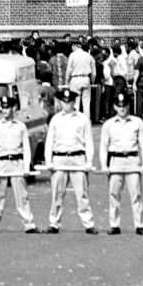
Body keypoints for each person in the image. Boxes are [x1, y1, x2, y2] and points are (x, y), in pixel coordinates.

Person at [44, 88, 97, 235]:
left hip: (77, 159)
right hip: (60, 158)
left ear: (74, 102)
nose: (67, 105)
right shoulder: (55, 119)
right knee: (57, 194)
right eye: (64, 102)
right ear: (61, 102)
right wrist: (49, 160)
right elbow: (50, 142)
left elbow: (88, 141)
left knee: (82, 194)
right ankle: (54, 223)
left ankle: (88, 224)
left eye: (70, 102)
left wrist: (89, 161)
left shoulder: (82, 119)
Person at [0, 96, 38, 234]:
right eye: (3, 107)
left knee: (22, 196)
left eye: (7, 107)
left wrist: (26, 167)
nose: (5, 110)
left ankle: (29, 224)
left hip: (16, 163)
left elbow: (26, 148)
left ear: (13, 108)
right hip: (1, 163)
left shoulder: (20, 126)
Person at [100, 92, 143, 235]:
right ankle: (114, 224)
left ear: (128, 106)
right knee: (113, 194)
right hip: (115, 161)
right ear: (115, 107)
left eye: (125, 105)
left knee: (136, 194)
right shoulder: (108, 124)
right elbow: (104, 146)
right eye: (119, 106)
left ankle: (139, 225)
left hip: (132, 160)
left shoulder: (137, 122)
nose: (122, 109)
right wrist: (104, 165)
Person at [66, 41, 96, 117]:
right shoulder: (88, 55)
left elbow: (69, 70)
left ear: (74, 46)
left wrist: (67, 81)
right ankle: (86, 122)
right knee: (86, 103)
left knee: (76, 102)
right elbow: (94, 73)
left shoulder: (72, 55)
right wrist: (92, 81)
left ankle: (76, 121)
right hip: (86, 79)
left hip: (75, 79)